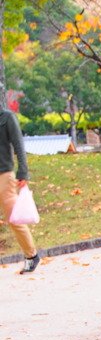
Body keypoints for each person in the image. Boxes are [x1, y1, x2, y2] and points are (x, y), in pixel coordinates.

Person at [0, 109, 39, 274]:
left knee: (13, 219)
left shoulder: (7, 118)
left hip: (5, 175)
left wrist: (23, 172)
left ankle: (31, 256)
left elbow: (18, 145)